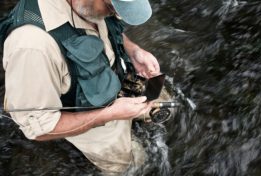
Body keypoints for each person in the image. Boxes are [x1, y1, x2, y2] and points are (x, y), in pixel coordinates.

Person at [0, 0, 160, 174]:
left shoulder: (90, 5)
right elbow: (39, 129)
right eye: (112, 7)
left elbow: (109, 23)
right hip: (84, 110)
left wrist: (132, 50)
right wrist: (110, 114)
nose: (117, 15)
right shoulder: (31, 47)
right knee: (131, 165)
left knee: (163, 108)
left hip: (116, 76)